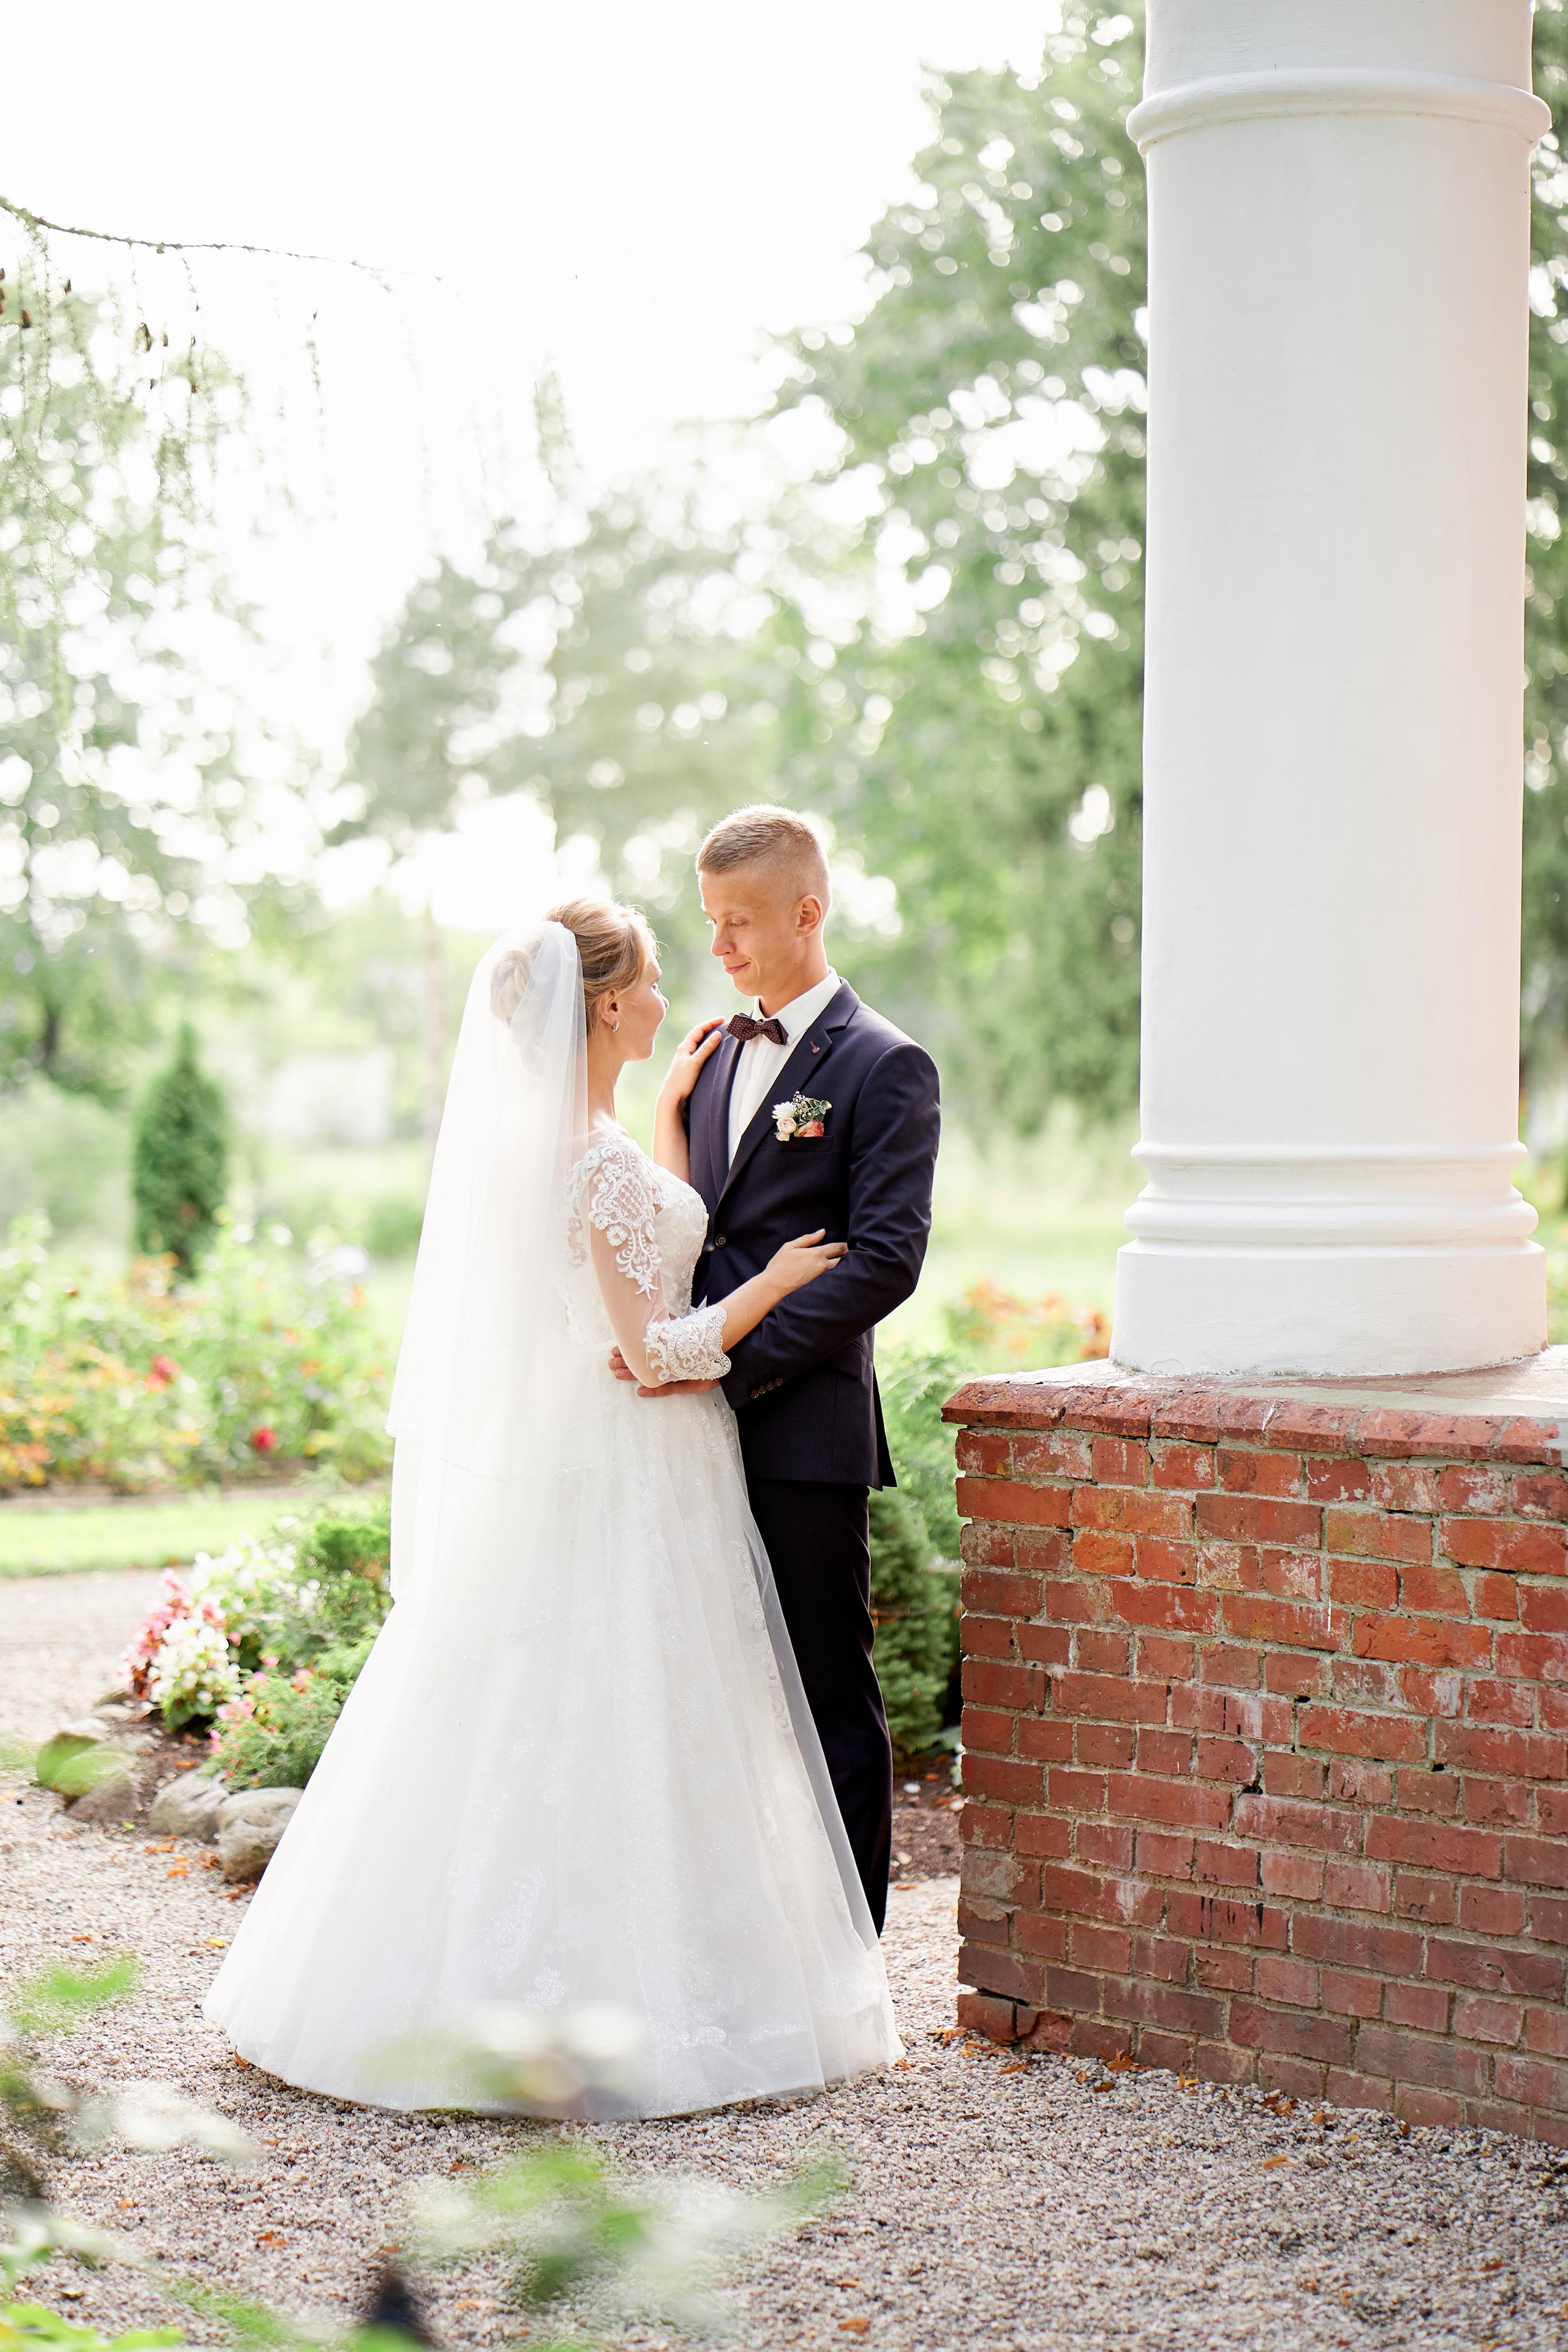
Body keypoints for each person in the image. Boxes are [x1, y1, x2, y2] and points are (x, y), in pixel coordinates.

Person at [204, 899, 900, 2118]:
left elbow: (645, 1249)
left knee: (579, 1707)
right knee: (631, 1711)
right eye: (646, 973)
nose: (663, 989)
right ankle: (638, 2000)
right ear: (604, 1003)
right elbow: (652, 1347)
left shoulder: (575, 1147)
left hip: (608, 1462)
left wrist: (676, 1129)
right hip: (638, 1453)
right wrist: (772, 1287)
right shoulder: (588, 1160)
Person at [618, 806, 941, 1932]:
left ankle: (852, 1948)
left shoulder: (885, 1065)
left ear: (808, 913)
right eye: (709, 925)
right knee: (705, 1686)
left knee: (825, 1690)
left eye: (741, 924)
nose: (722, 951)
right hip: (681, 1431)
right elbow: (683, 1229)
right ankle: (737, 1936)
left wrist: (734, 1364)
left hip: (802, 1429)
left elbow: (885, 1263)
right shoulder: (707, 1059)